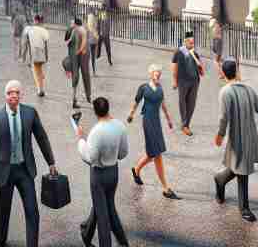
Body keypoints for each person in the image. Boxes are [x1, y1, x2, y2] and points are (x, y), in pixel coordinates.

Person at [0, 79, 59, 247]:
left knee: (32, 210)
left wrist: (51, 162)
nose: (14, 96)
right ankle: (0, 240)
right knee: (4, 211)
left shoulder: (30, 113)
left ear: (21, 95)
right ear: (5, 96)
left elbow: (42, 138)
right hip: (4, 171)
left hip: (24, 170)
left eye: (17, 93)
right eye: (10, 93)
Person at [212, 57, 258, 221]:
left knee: (240, 166)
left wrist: (219, 135)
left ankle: (220, 179)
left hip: (244, 134)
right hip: (240, 135)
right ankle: (244, 207)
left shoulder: (228, 91)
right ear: (237, 71)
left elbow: (223, 117)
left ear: (223, 74)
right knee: (242, 170)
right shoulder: (239, 90)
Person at [75, 96, 130, 246]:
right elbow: (123, 153)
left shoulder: (96, 132)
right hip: (113, 172)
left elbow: (90, 158)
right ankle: (88, 233)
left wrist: (80, 140)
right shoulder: (120, 126)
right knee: (108, 205)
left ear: (95, 112)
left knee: (103, 215)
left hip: (98, 176)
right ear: (108, 108)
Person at [129, 64, 178, 196]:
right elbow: (136, 102)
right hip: (147, 120)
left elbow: (163, 104)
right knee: (157, 154)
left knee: (152, 153)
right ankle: (165, 188)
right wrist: (131, 114)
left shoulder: (160, 88)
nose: (158, 75)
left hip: (156, 122)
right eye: (156, 73)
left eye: (159, 73)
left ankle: (136, 169)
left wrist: (168, 119)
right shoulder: (144, 88)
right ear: (150, 74)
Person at [170, 31, 204, 135]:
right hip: (183, 81)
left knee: (191, 104)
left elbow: (202, 71)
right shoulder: (178, 52)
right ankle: (185, 125)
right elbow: (174, 66)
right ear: (185, 41)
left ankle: (187, 124)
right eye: (190, 42)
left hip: (194, 82)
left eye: (193, 42)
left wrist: (200, 65)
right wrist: (174, 81)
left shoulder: (195, 53)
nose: (192, 44)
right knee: (182, 102)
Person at [23, 13, 51, 97]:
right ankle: (41, 86)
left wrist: (24, 55)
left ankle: (40, 90)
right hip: (42, 53)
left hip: (34, 53)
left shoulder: (29, 29)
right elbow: (46, 45)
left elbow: (26, 43)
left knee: (35, 71)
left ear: (35, 20)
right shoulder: (44, 31)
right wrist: (46, 56)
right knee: (39, 69)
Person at [69, 17, 95, 108]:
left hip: (82, 55)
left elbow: (84, 43)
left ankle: (87, 96)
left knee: (84, 74)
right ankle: (77, 98)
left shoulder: (81, 30)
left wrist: (78, 51)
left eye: (72, 23)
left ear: (76, 24)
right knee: (80, 75)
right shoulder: (75, 30)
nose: (71, 25)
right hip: (78, 55)